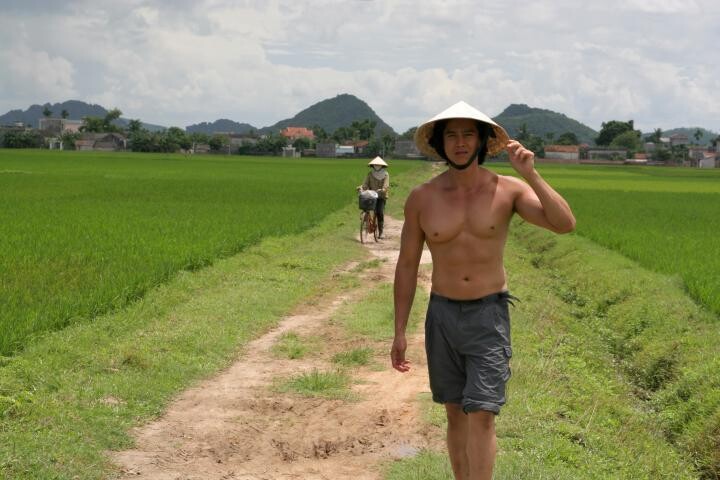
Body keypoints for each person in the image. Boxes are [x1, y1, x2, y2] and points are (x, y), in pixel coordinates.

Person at [391, 101, 576, 480]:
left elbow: (564, 224)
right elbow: (407, 265)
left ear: (481, 141)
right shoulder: (422, 198)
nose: (460, 143)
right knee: (455, 413)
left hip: (488, 316)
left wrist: (532, 175)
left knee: (483, 413)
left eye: (468, 134)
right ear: (440, 144)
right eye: (451, 135)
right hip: (442, 315)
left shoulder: (508, 190)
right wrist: (399, 332)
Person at [360, 156, 390, 238]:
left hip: (381, 196)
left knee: (379, 212)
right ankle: (366, 223)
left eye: (378, 165)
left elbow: (386, 185)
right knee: (365, 207)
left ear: (382, 166)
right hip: (372, 195)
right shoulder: (370, 174)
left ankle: (381, 232)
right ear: (373, 166)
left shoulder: (385, 174)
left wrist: (383, 189)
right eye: (375, 165)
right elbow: (365, 184)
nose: (377, 166)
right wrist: (362, 188)